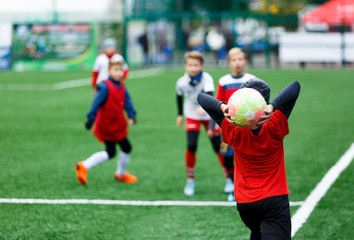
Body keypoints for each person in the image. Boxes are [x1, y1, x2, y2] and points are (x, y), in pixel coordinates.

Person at [198, 79, 300, 240]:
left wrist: (223, 107)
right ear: (264, 102)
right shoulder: (275, 123)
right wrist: (272, 107)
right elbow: (295, 86)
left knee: (257, 234)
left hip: (245, 204)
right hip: (274, 200)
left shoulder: (232, 129)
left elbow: (201, 98)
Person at [75, 58, 137, 185]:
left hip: (118, 124)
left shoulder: (122, 86)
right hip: (107, 125)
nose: (119, 73)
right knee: (112, 151)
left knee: (125, 148)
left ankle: (120, 174)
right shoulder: (104, 86)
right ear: (109, 71)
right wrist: (90, 119)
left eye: (121, 70)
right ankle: (84, 165)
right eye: (116, 70)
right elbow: (95, 103)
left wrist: (132, 115)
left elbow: (128, 102)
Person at [176, 51, 229, 196]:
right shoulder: (181, 81)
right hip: (192, 114)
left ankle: (229, 178)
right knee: (191, 145)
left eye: (196, 65)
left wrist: (204, 107)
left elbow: (210, 96)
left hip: (209, 115)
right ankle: (190, 180)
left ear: (202, 66)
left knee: (218, 147)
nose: (193, 68)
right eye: (190, 65)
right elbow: (179, 97)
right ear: (186, 66)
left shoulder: (207, 78)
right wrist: (179, 115)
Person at [214, 47, 259, 201]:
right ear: (229, 63)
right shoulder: (223, 81)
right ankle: (231, 182)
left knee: (244, 158)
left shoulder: (252, 80)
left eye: (240, 59)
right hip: (228, 128)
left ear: (246, 61)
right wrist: (214, 125)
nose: (237, 63)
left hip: (245, 128)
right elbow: (217, 103)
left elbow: (259, 102)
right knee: (227, 157)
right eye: (234, 60)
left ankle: (241, 188)